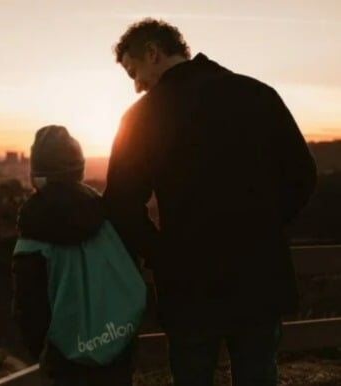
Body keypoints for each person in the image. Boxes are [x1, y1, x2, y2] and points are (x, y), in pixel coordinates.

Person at [103, 18, 317, 386]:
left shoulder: (141, 117)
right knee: (258, 372)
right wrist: (263, 226)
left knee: (193, 375)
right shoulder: (257, 94)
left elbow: (121, 204)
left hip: (189, 285)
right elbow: (302, 175)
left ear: (153, 53)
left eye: (134, 71)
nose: (136, 86)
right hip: (259, 275)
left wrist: (161, 253)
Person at [11, 125, 142, 386]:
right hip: (118, 342)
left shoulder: (33, 234)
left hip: (66, 359)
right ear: (79, 170)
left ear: (36, 176)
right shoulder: (106, 217)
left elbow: (29, 307)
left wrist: (39, 349)